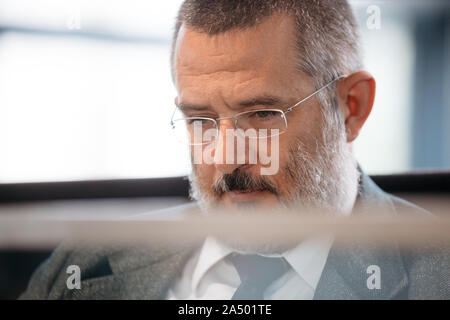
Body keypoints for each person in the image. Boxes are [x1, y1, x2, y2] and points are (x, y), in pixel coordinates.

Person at [21, 0, 449, 300]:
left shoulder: (439, 277)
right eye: (201, 120)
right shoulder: (86, 264)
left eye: (262, 115)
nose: (224, 158)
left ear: (351, 107)